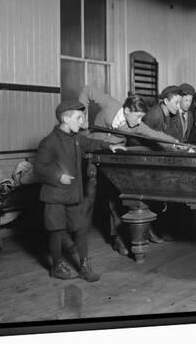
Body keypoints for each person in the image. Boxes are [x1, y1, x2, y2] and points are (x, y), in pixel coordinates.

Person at [78, 86, 182, 255]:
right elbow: (88, 91)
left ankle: (117, 239)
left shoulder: (136, 126)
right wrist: (81, 114)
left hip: (112, 160)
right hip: (92, 153)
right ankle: (79, 241)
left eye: (142, 117)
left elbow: (156, 135)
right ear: (126, 110)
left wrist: (176, 144)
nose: (139, 121)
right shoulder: (111, 105)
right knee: (88, 198)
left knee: (113, 198)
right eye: (138, 116)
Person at [34, 100, 126, 282]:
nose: (83, 121)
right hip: (55, 197)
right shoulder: (49, 142)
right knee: (56, 231)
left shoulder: (76, 138)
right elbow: (39, 168)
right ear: (65, 119)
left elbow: (92, 143)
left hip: (73, 196)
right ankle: (57, 266)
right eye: (79, 117)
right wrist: (58, 176)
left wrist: (109, 146)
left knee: (81, 229)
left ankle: (84, 267)